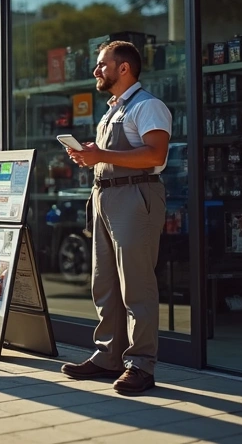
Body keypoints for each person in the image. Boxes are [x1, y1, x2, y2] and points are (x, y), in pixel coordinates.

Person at [61, 41, 171, 395]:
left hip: (135, 196)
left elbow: (155, 155)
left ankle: (140, 365)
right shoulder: (113, 110)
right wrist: (90, 157)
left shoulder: (148, 106)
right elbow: (111, 155)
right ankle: (109, 356)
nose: (96, 70)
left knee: (136, 284)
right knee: (104, 282)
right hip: (105, 196)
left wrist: (102, 155)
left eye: (102, 64)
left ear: (124, 68)